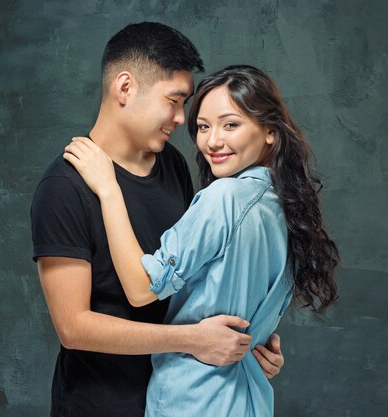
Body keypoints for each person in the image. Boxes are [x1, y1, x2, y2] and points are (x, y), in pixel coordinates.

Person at [30, 23, 284, 417]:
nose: (183, 119)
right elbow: (73, 327)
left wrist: (248, 344)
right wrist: (192, 340)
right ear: (125, 88)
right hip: (100, 404)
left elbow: (192, 272)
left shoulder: (173, 165)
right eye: (174, 100)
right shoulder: (64, 187)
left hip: (178, 398)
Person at [64, 65, 339, 417]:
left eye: (230, 125)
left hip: (194, 398)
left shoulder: (224, 198)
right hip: (249, 398)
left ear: (270, 130)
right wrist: (260, 344)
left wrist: (108, 189)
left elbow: (141, 287)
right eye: (204, 127)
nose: (212, 141)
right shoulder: (290, 209)